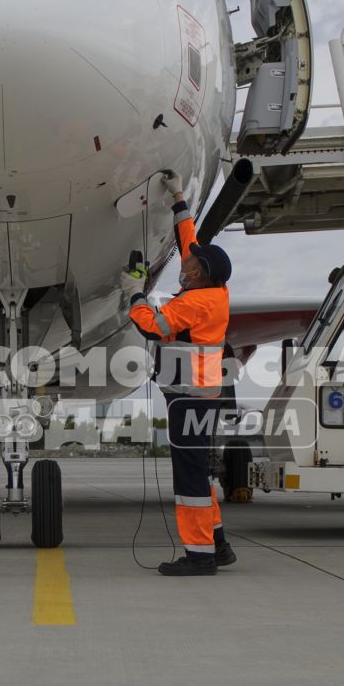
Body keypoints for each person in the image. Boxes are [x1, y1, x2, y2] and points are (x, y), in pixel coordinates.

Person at [127, 175, 238, 576]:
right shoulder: (212, 288)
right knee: (200, 471)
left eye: (190, 264)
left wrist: (135, 292)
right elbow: (188, 238)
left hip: (189, 395)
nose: (185, 262)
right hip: (201, 393)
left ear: (200, 274)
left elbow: (151, 325)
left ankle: (199, 557)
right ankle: (219, 544)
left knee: (189, 476)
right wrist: (178, 198)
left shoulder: (197, 303)